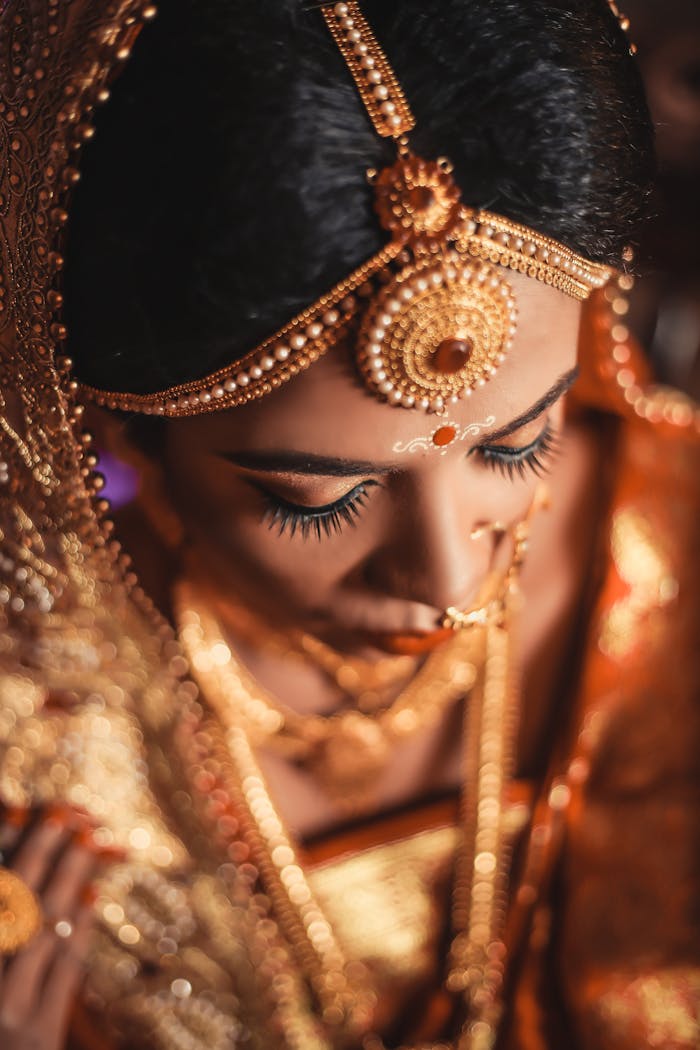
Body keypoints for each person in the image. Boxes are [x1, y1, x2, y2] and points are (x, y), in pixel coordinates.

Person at [0, 1, 697, 1049]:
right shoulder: (37, 728)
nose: (449, 583)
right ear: (109, 427)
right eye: (317, 499)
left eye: (514, 445)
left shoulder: (675, 555)